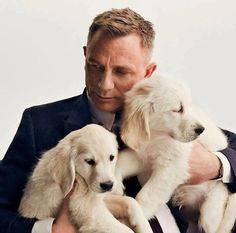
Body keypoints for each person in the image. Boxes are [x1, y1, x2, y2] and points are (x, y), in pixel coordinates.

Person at [0, 8, 235, 233]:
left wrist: (217, 166)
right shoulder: (39, 123)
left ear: (148, 72)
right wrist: (50, 230)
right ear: (85, 55)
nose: (104, 84)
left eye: (121, 72)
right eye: (95, 67)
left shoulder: (166, 109)